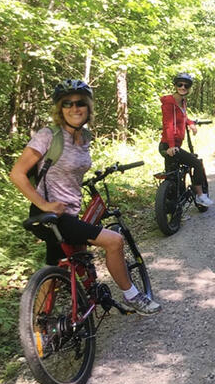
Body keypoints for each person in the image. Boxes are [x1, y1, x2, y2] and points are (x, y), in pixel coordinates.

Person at [10, 79, 160, 314]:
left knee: (59, 265)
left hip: (67, 213)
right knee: (114, 241)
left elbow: (68, 171)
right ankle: (132, 296)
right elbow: (17, 173)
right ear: (59, 109)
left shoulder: (84, 138)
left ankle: (40, 331)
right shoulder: (48, 136)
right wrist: (44, 203)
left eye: (80, 103)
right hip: (50, 214)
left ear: (88, 107)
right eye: (67, 103)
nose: (74, 108)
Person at [159, 72, 213, 208]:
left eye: (186, 85)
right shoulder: (169, 103)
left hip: (174, 146)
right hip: (168, 145)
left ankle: (174, 208)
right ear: (175, 85)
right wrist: (171, 146)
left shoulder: (182, 102)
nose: (183, 87)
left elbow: (183, 117)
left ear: (189, 88)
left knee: (174, 176)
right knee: (196, 163)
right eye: (180, 84)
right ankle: (200, 196)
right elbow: (168, 125)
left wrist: (190, 123)